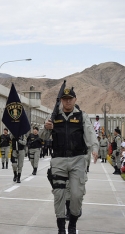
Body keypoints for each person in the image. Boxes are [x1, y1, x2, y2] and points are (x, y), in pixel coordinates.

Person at [40, 87, 98, 234]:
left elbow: (90, 133)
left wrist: (95, 148)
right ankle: (61, 228)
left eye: (70, 99)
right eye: (64, 99)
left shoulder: (81, 116)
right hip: (58, 160)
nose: (67, 101)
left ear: (75, 100)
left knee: (77, 195)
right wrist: (47, 128)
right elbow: (43, 136)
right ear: (61, 101)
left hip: (77, 160)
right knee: (59, 195)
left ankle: (72, 224)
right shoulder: (53, 116)